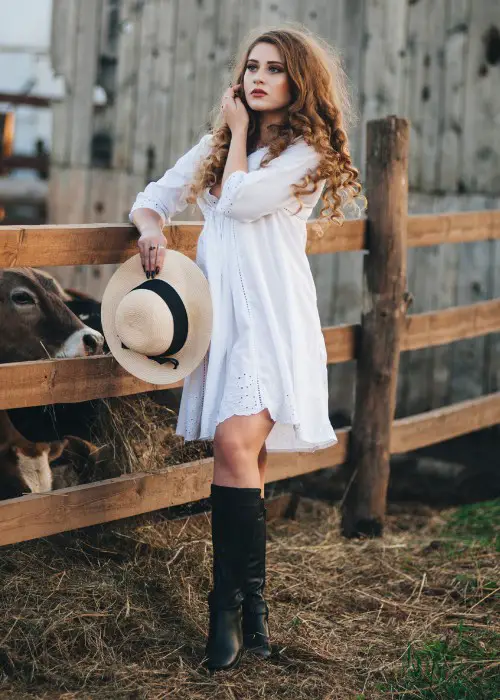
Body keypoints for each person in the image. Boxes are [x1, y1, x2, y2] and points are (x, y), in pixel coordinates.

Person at [129, 25, 366, 672]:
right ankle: (253, 610)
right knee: (244, 460)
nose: (258, 77)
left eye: (275, 69)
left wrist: (234, 136)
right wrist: (151, 233)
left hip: (272, 320)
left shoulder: (306, 155)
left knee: (235, 447)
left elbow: (235, 206)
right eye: (252, 66)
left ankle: (221, 611)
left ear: (299, 84)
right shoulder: (218, 146)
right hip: (221, 323)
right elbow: (150, 198)